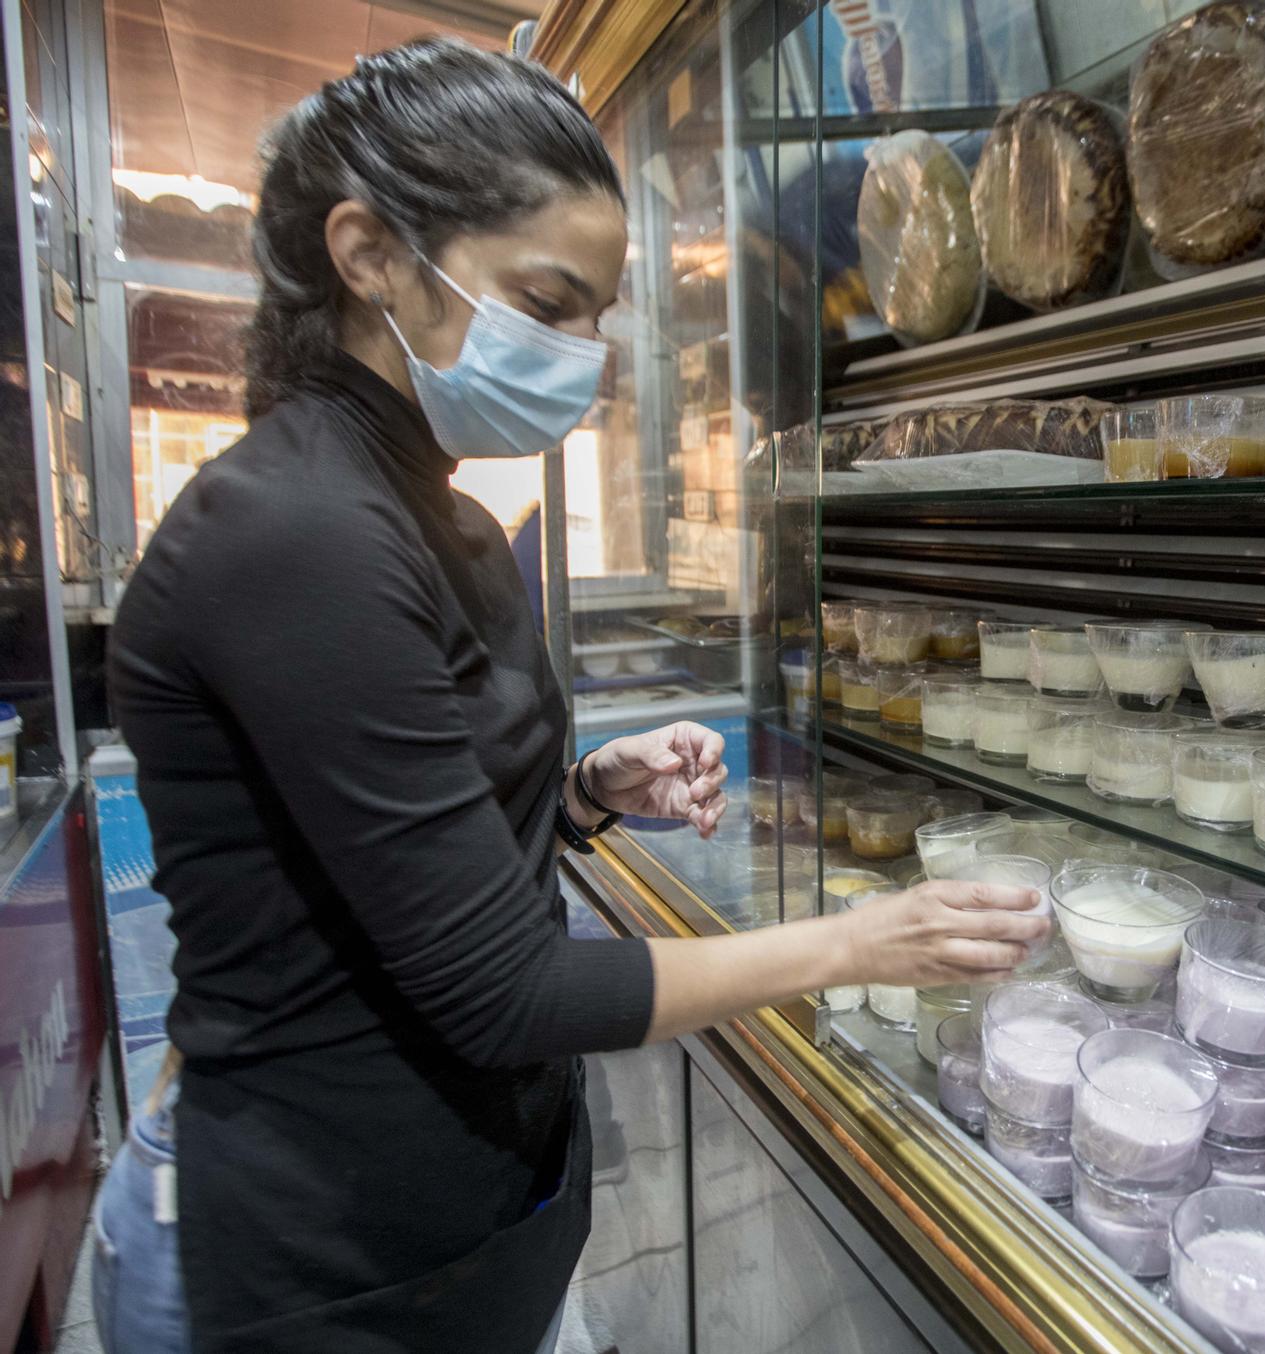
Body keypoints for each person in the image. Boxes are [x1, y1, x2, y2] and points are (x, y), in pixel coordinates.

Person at [106, 38, 1044, 1354]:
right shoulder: (299, 531)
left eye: (596, 315)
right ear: (370, 253)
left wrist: (583, 794)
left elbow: (396, 845)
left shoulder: (435, 514)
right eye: (546, 304)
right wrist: (857, 940)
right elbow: (504, 991)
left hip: (452, 1226)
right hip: (321, 1262)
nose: (580, 353)